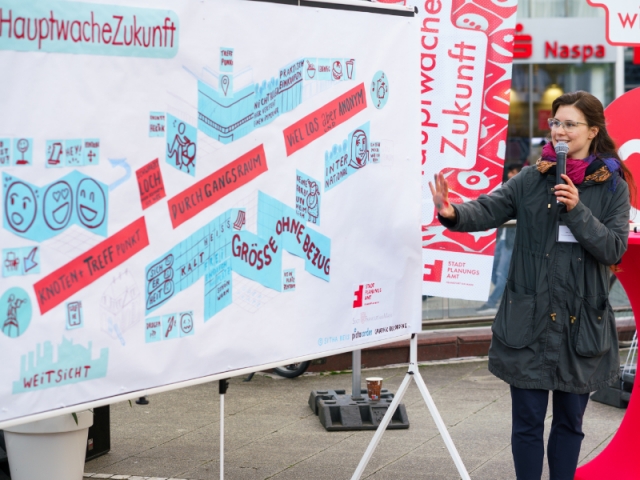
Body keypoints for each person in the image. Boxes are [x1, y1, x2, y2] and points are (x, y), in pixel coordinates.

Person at [429, 91, 635, 480]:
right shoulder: (531, 177)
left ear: (593, 131)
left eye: (570, 124)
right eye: (556, 123)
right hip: (529, 322)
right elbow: (488, 209)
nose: (560, 132)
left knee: (570, 423)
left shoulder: (612, 186)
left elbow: (613, 248)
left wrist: (577, 209)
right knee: (527, 423)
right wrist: (452, 211)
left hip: (580, 327)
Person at [477, 163, 522, 315]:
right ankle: (505, 296)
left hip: (511, 240)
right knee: (493, 270)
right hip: (501, 238)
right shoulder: (506, 189)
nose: (510, 175)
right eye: (509, 172)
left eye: (513, 172)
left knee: (502, 273)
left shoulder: (522, 190)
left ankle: (492, 302)